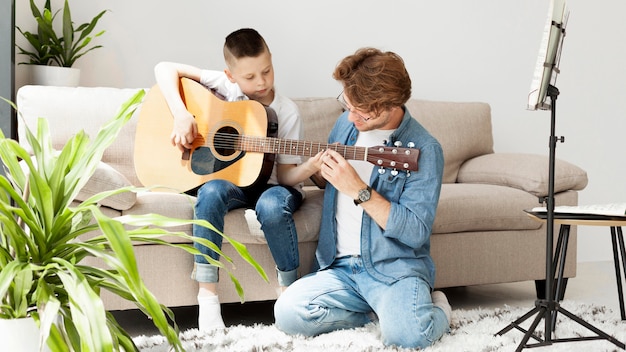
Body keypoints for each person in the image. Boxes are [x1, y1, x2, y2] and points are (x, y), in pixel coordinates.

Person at [273, 47, 451, 349]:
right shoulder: (346, 124)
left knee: (409, 337)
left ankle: (439, 309)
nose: (350, 115)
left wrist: (358, 189)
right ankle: (376, 313)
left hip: (393, 269)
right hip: (340, 268)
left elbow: (414, 231)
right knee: (287, 315)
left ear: (390, 105)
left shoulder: (425, 149)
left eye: (360, 110)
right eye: (347, 104)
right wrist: (319, 170)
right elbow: (329, 184)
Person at [154, 28, 322, 331]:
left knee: (272, 207)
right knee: (211, 191)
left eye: (267, 71)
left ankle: (288, 292)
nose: (261, 82)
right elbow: (163, 68)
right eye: (249, 77)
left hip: (275, 186)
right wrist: (181, 114)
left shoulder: (287, 112)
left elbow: (285, 176)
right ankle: (207, 298)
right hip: (235, 183)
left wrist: (311, 166)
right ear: (230, 76)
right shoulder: (223, 87)